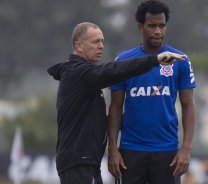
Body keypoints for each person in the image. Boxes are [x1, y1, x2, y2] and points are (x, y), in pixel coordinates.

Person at [47, 22, 186, 184]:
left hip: (86, 162)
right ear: (79, 46)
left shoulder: (83, 76)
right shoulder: (77, 73)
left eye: (102, 41)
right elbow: (114, 70)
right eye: (95, 42)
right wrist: (155, 60)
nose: (101, 46)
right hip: (78, 163)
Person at [107, 1, 196, 184]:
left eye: (161, 26)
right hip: (130, 150)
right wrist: (113, 149)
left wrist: (186, 148)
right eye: (152, 26)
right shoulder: (123, 61)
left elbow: (188, 105)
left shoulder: (180, 60)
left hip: (167, 151)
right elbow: (115, 107)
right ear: (140, 27)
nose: (157, 31)